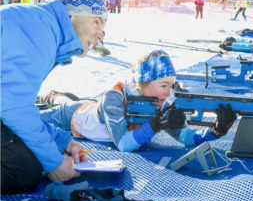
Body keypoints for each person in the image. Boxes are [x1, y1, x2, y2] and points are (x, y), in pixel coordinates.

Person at [1, 0, 107, 194]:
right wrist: (54, 164)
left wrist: (60, 139)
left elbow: (13, 103)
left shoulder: (38, 23)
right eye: (97, 23)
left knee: (29, 152)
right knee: (22, 170)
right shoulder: (40, 29)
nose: (101, 36)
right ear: (71, 16)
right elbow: (14, 108)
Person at [37, 50, 237, 153]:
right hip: (72, 115)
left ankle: (57, 95)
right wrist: (156, 124)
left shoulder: (161, 103)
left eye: (172, 85)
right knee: (40, 115)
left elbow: (185, 138)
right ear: (143, 82)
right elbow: (123, 144)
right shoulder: (113, 97)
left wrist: (215, 131)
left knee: (72, 99)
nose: (169, 93)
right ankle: (49, 96)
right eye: (164, 85)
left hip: (89, 108)